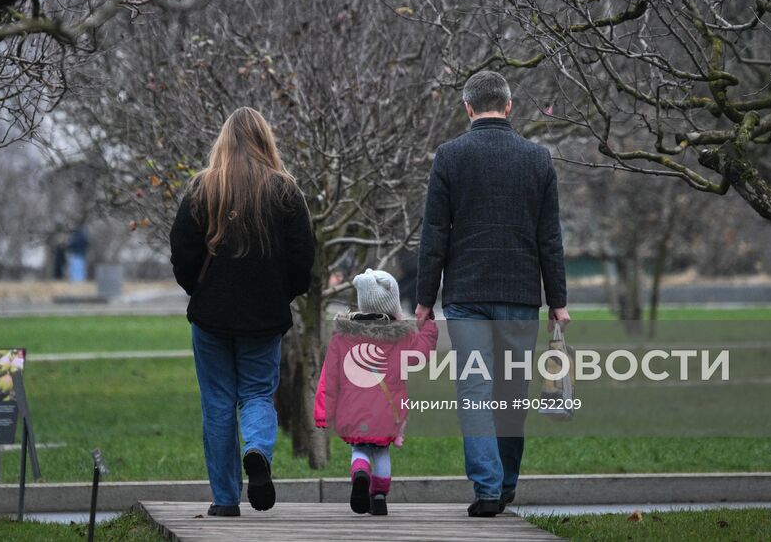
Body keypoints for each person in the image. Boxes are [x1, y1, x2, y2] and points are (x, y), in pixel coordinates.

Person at [414, 70, 569, 517]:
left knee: (475, 390)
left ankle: (487, 488)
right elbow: (550, 238)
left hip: (466, 294)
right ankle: (505, 485)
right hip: (521, 295)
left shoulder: (449, 156)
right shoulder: (538, 159)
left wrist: (424, 299)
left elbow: (434, 235)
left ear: (468, 108)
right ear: (508, 106)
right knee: (512, 393)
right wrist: (558, 301)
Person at [170, 107, 315, 517]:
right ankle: (257, 449)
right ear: (265, 141)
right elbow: (303, 257)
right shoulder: (285, 191)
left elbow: (182, 252)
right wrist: (283, 293)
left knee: (217, 403)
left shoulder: (202, 189)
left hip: (211, 315)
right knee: (257, 393)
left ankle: (224, 499)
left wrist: (199, 290)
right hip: (263, 316)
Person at [313, 268, 439, 516]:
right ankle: (379, 497)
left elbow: (330, 378)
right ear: (392, 305)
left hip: (352, 410)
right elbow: (422, 353)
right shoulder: (401, 338)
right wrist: (429, 328)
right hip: (386, 412)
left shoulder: (342, 338)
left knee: (359, 449)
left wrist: (323, 413)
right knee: (381, 451)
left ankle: (360, 473)